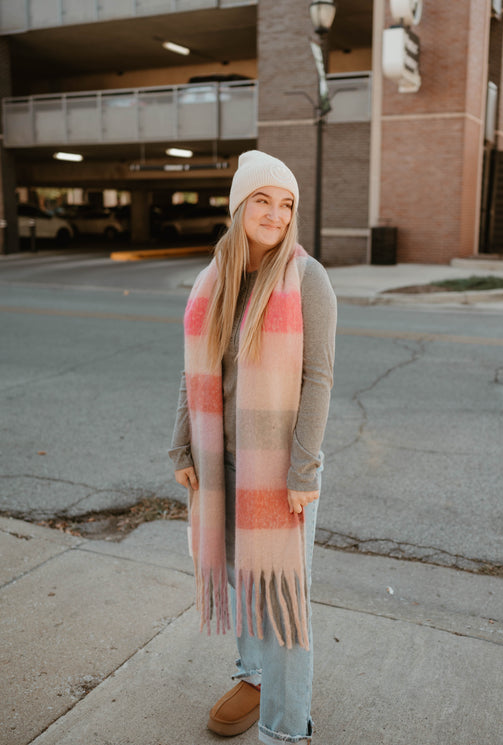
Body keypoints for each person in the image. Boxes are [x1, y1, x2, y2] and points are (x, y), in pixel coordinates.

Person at [169, 150, 336, 745]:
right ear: (240, 205)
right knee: (244, 581)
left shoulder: (307, 278)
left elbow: (318, 378)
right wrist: (182, 447)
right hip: (222, 461)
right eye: (263, 200)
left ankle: (287, 729)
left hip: (282, 468)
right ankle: (254, 675)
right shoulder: (215, 277)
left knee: (283, 599)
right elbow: (196, 370)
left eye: (286, 203)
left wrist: (303, 470)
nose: (276, 214)